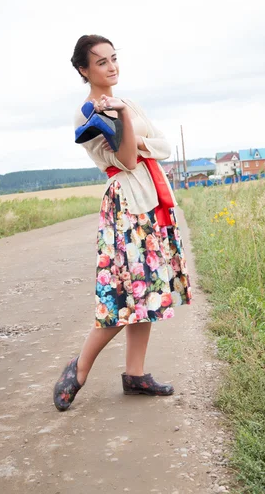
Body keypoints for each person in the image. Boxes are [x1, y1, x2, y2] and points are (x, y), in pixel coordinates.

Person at [53, 34, 192, 411]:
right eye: (101, 62)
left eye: (114, 58)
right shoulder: (88, 113)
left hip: (151, 199)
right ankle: (78, 369)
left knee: (148, 293)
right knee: (125, 294)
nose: (112, 67)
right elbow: (128, 159)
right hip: (127, 204)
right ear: (84, 70)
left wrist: (128, 117)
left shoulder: (126, 102)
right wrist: (127, 120)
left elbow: (164, 146)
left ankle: (135, 374)